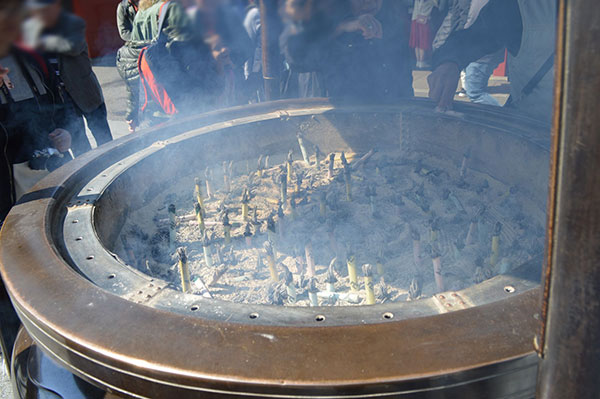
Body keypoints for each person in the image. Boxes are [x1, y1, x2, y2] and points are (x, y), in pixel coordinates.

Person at [0, 0, 72, 363]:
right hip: (10, 193)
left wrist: (63, 134)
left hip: (47, 176)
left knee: (55, 267)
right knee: (15, 286)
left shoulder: (31, 56)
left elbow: (56, 107)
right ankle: (24, 361)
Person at [428, 0, 556, 123]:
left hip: (566, 126)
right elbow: (480, 33)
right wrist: (449, 61)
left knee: (476, 92)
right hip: (529, 124)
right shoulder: (519, 4)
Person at [24, 0, 112, 155]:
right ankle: (87, 175)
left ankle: (115, 167)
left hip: (86, 92)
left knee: (105, 140)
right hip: (63, 99)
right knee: (80, 147)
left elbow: (74, 47)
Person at [281, 0, 414, 102]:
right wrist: (341, 28)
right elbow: (295, 57)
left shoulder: (392, 23)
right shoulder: (320, 17)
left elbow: (403, 82)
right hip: (324, 122)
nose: (370, 1)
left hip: (377, 122)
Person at [189, 0, 253, 106]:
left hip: (233, 78)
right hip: (207, 84)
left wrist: (232, 60)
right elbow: (190, 55)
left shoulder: (229, 16)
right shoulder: (192, 20)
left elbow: (247, 45)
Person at [116, 0, 142, 132]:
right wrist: (139, 40)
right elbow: (123, 32)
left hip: (148, 48)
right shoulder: (123, 7)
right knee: (134, 86)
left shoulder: (149, 3)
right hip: (135, 50)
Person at [410, 0, 436, 69]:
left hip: (415, 19)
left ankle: (418, 62)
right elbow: (437, 5)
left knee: (417, 42)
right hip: (423, 20)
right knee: (422, 42)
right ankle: (422, 62)